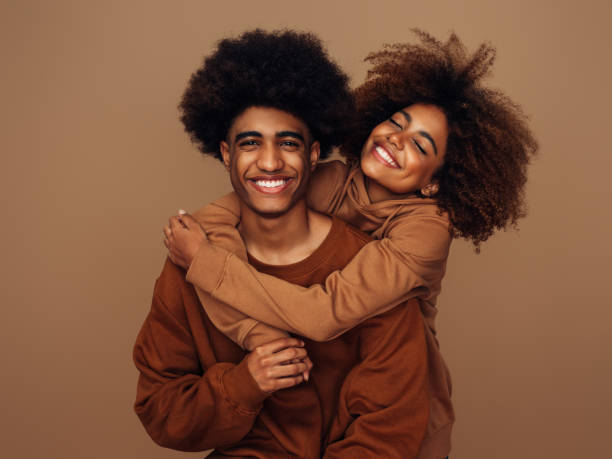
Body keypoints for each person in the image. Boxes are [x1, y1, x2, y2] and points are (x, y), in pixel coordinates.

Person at [164, 30, 538, 458]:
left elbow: (323, 314)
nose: (396, 140)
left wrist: (207, 264)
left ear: (435, 183)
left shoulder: (426, 230)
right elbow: (217, 218)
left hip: (397, 409)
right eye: (396, 123)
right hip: (319, 385)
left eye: (419, 144)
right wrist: (253, 332)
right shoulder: (335, 179)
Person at [135, 29, 430, 459]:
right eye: (250, 143)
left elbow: (390, 428)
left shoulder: (371, 270)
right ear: (225, 154)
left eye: (288, 144)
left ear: (313, 156)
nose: (270, 162)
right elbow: (161, 410)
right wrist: (244, 384)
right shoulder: (187, 262)